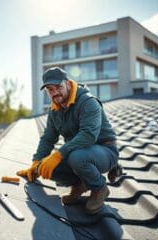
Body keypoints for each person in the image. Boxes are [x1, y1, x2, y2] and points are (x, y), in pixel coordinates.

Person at [17, 67, 119, 214]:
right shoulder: (54, 110)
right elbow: (47, 139)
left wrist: (58, 154)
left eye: (58, 87)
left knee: (76, 157)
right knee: (46, 167)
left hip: (105, 151)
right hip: (79, 153)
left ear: (68, 84)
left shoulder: (88, 102)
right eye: (50, 89)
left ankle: (99, 188)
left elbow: (88, 135)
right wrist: (36, 162)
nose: (55, 92)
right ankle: (81, 184)